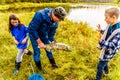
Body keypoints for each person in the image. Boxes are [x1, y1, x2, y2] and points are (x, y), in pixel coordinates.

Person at [28, 6, 67, 73]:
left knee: (49, 49)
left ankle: (53, 64)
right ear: (54, 15)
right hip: (34, 34)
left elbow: (51, 35)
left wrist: (55, 44)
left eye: (61, 19)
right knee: (37, 52)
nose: (59, 21)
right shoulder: (40, 14)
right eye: (59, 19)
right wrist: (39, 42)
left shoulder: (56, 22)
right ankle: (40, 69)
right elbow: (32, 29)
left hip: (43, 34)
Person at [96, 7, 120, 80]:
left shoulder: (119, 31)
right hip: (106, 49)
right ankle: (107, 73)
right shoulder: (110, 25)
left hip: (109, 51)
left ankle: (97, 78)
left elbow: (113, 46)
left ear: (113, 17)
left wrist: (101, 42)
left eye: (106, 17)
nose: (105, 19)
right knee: (105, 62)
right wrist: (101, 31)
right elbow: (108, 33)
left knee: (100, 66)